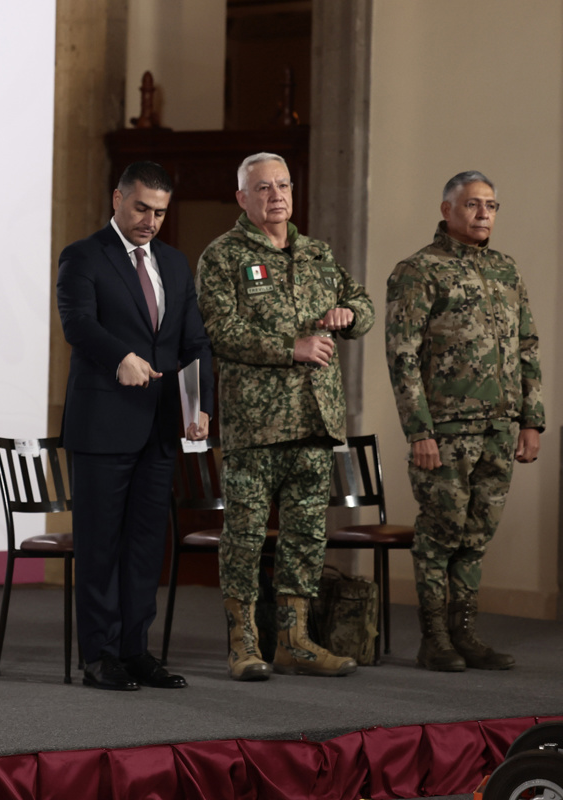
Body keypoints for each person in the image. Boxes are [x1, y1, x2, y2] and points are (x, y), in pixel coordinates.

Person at [197, 152, 374, 681]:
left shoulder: (317, 254)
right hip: (257, 425)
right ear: (242, 197)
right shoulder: (223, 255)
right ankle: (243, 643)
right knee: (246, 537)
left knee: (304, 537)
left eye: (284, 185)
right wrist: (289, 346)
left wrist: (349, 314)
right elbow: (220, 330)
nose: (276, 195)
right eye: (263, 187)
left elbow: (361, 303)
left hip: (315, 420)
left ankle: (295, 640)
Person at [57, 161, 213, 691]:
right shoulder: (83, 256)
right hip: (103, 424)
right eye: (142, 208)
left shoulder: (173, 262)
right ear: (118, 198)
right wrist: (118, 356)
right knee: (100, 545)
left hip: (161, 428)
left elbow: (193, 343)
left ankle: (135, 650)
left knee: (147, 544)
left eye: (161, 212)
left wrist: (199, 407)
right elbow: (78, 324)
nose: (151, 220)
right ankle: (99, 656)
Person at [385, 171, 543, 672]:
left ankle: (466, 634)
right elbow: (403, 357)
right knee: (440, 535)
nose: (483, 214)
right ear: (446, 210)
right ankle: (435, 638)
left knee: (476, 538)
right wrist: (419, 431)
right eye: (472, 205)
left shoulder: (505, 270)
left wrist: (530, 420)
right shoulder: (418, 271)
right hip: (446, 432)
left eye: (491, 206)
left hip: (500, 428)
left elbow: (526, 348)